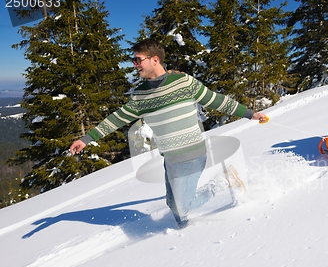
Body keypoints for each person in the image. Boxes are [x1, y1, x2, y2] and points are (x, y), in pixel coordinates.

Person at [69, 38, 267, 228]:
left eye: (138, 59)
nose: (135, 64)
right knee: (172, 205)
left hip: (191, 154)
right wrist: (87, 139)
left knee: (181, 212)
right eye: (133, 60)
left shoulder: (184, 82)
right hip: (170, 158)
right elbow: (116, 118)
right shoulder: (140, 95)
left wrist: (250, 114)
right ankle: (192, 220)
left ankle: (218, 187)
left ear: (155, 59)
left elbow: (216, 100)